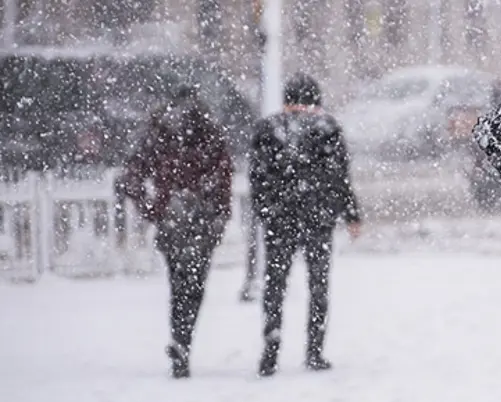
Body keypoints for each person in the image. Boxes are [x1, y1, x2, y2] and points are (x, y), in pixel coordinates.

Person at [250, 73, 362, 377]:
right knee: (318, 284)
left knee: (275, 283)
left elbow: (257, 177)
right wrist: (350, 213)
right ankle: (314, 349)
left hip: (280, 219)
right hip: (318, 219)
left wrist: (266, 211)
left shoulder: (267, 129)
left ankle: (271, 342)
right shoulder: (327, 128)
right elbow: (339, 177)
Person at [119, 84, 232, 378]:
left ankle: (179, 338)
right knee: (195, 285)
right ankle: (184, 339)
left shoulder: (158, 134)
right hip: (203, 218)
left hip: (172, 218)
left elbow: (131, 177)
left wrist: (152, 207)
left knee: (178, 283)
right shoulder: (210, 134)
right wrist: (220, 213)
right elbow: (223, 178)